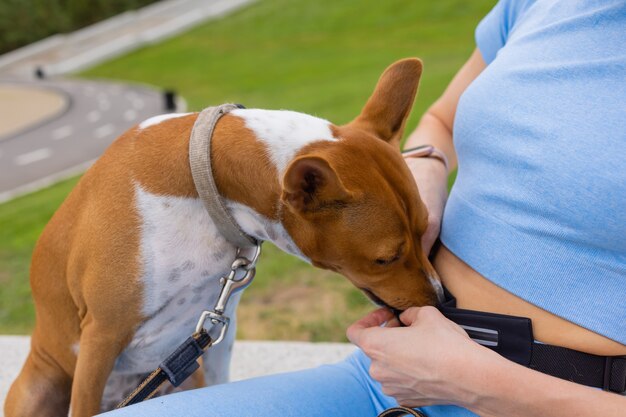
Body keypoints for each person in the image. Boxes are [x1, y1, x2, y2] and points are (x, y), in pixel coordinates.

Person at [103, 0, 626, 415]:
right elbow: (441, 121)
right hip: (394, 387)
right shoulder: (552, 5)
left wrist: (480, 386)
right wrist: (426, 168)